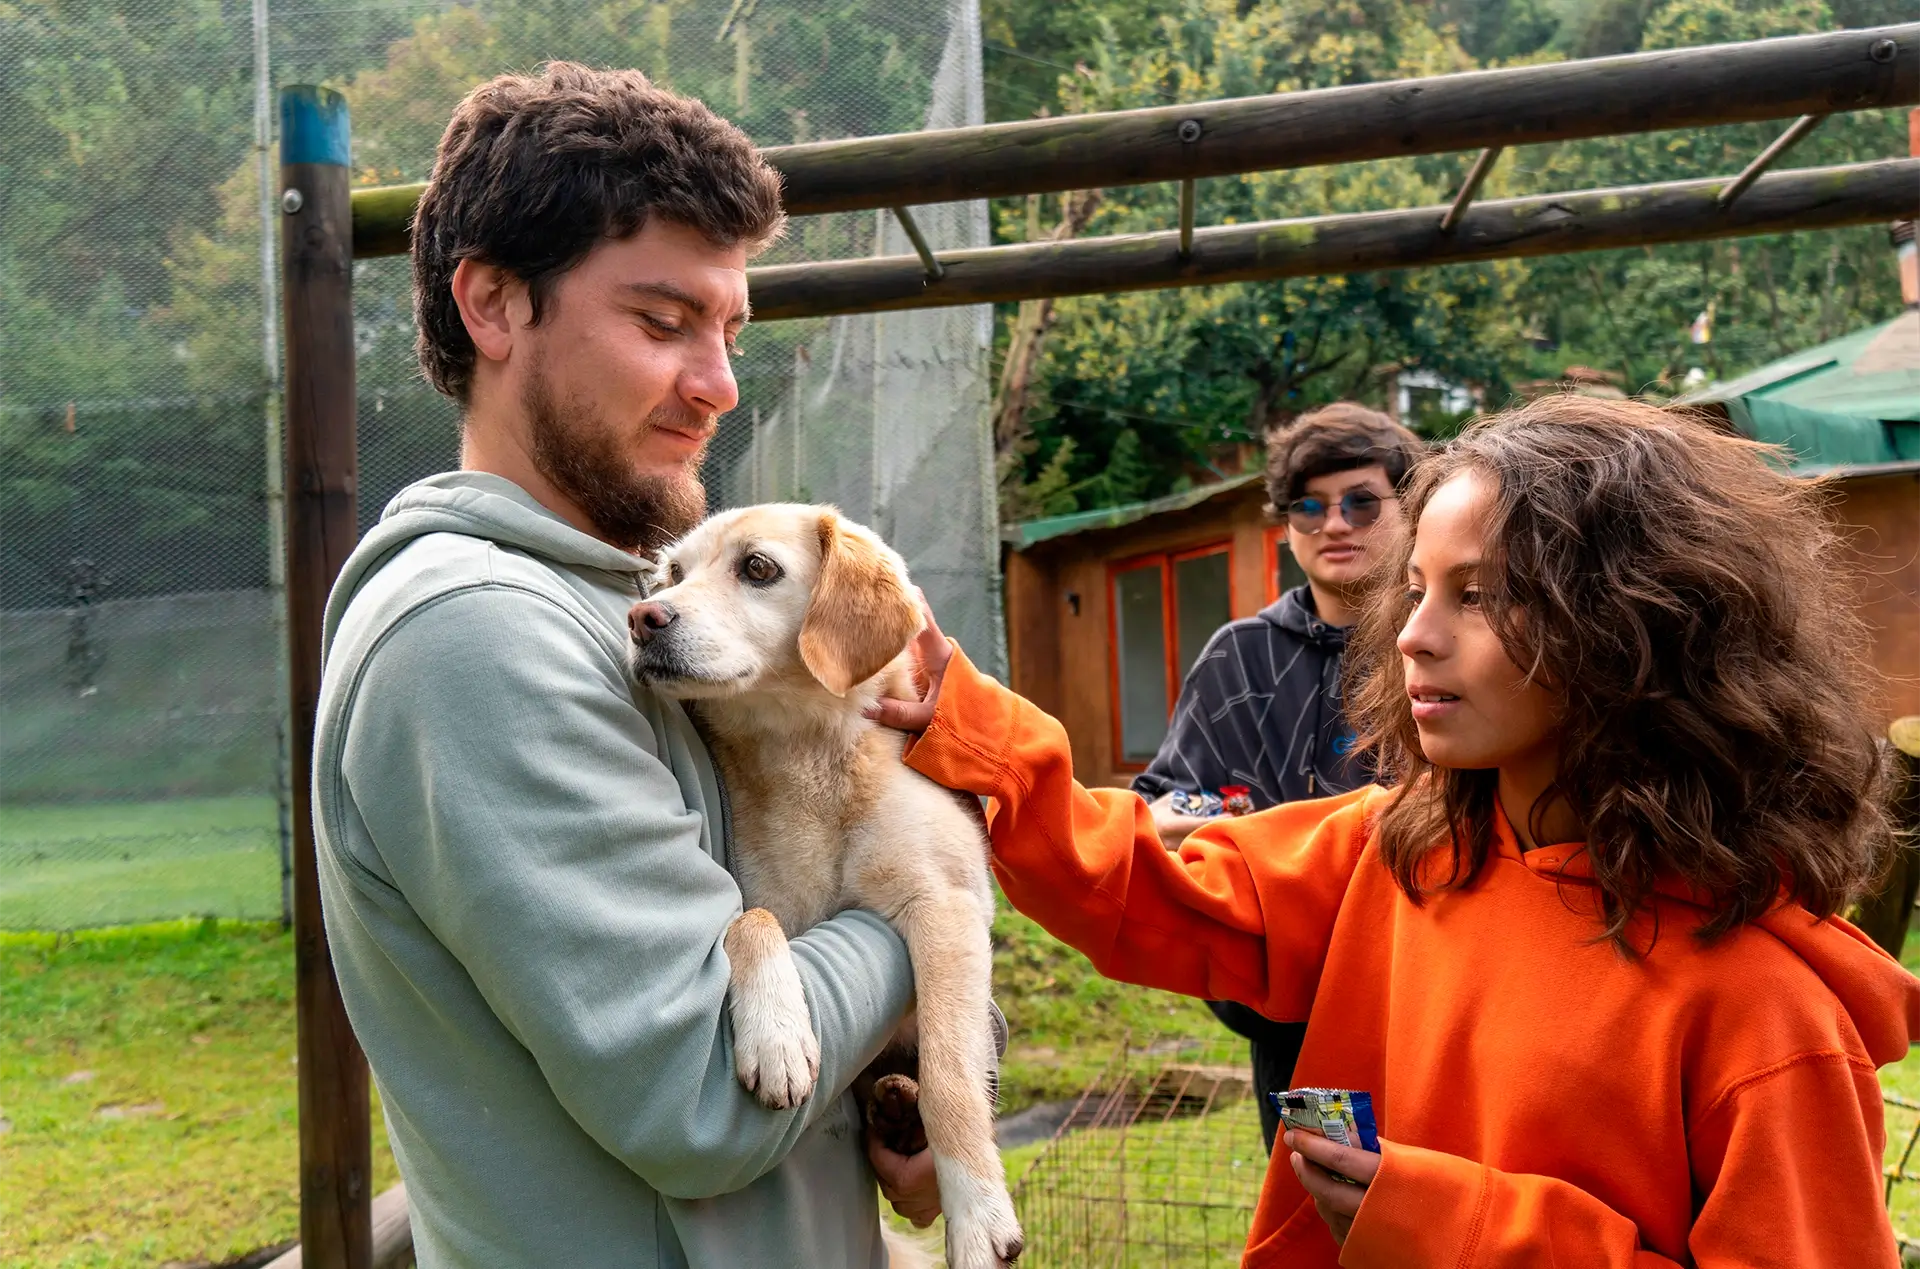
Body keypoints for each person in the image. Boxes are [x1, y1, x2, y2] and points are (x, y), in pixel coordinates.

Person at [877, 396, 1918, 1266]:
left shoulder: (1767, 1015)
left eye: (1479, 595)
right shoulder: (1398, 849)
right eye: (1416, 588)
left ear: (1630, 629)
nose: (1413, 634)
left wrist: (1452, 1224)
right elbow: (1151, 886)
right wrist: (970, 729)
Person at [312, 64, 939, 1266]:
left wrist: (896, 1069)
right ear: (494, 306)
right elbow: (705, 1095)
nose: (718, 384)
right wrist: (933, 908)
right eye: (662, 323)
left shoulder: (638, 607)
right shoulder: (473, 634)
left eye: (728, 328)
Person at [1132, 403, 1423, 1152]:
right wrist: (1226, 812)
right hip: (1289, 1009)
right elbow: (1167, 799)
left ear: (1408, 504)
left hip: (1430, 988)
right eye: (1310, 506)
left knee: (1434, 1200)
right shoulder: (1240, 656)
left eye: (1362, 500)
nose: (1335, 523)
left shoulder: (1437, 641)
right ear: (1287, 523)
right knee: (1318, 1190)